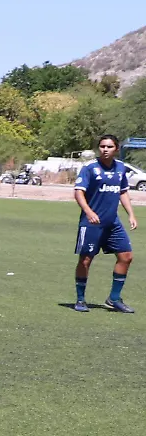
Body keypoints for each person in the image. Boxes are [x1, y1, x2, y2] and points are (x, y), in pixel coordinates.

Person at [72, 133, 137, 312]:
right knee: (85, 260)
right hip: (91, 223)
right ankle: (80, 299)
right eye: (102, 146)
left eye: (109, 147)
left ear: (116, 149)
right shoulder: (90, 168)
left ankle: (114, 299)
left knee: (126, 257)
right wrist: (89, 211)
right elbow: (78, 192)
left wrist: (131, 214)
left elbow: (123, 191)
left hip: (112, 223)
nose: (105, 150)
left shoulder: (121, 168)